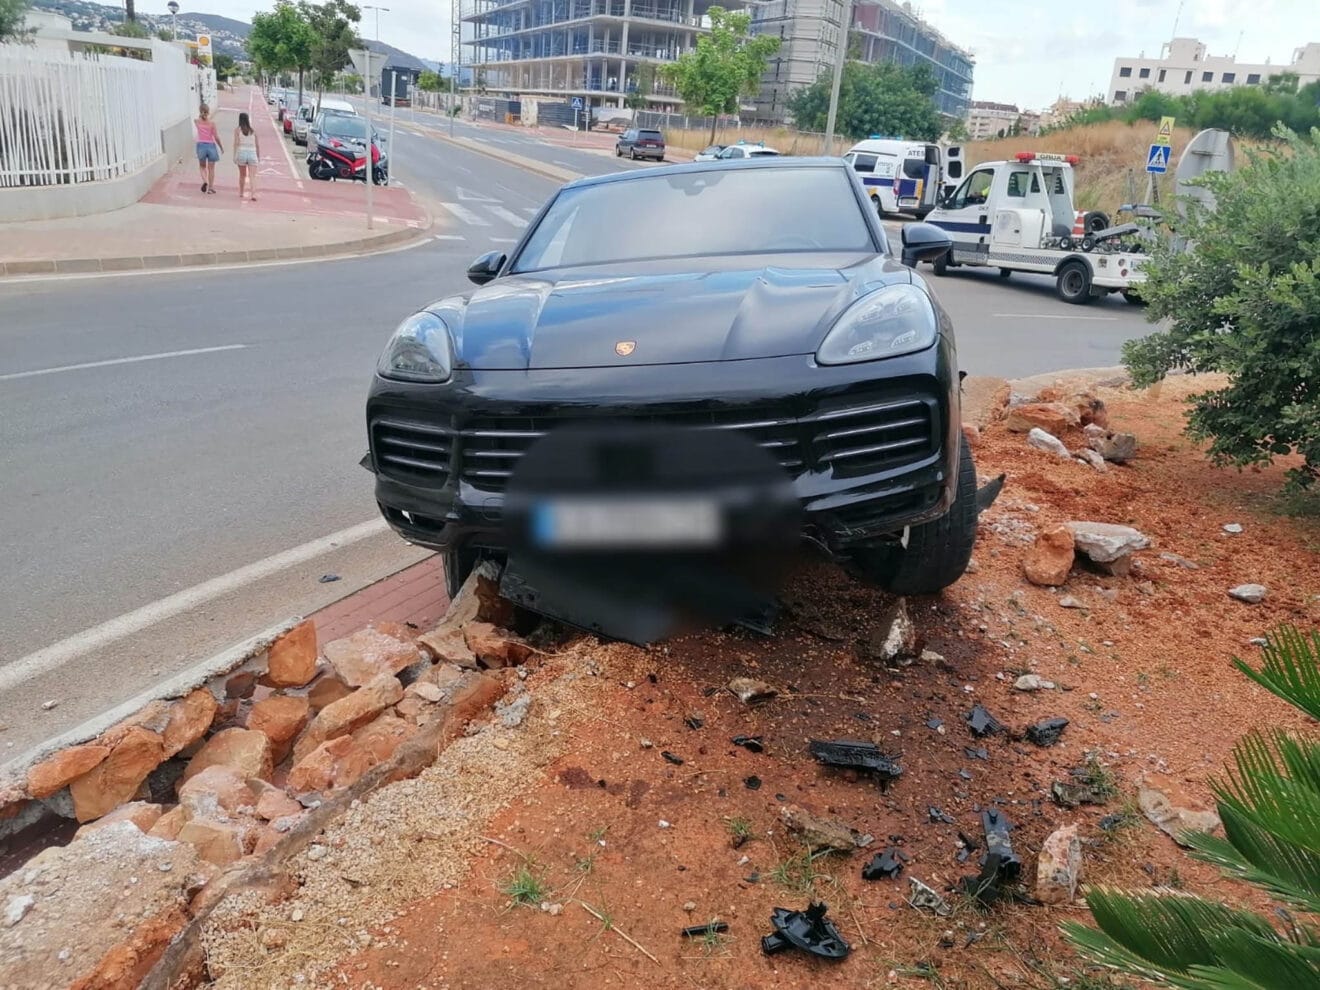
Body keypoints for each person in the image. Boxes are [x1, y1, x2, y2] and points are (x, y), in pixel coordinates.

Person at [194, 104, 223, 194]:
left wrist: (201, 116)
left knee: (202, 166)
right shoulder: (212, 124)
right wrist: (221, 147)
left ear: (200, 111)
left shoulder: (196, 122)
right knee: (211, 169)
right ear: (208, 111)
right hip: (211, 146)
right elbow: (216, 137)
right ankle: (210, 188)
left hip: (201, 146)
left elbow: (198, 119)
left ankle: (205, 181)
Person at [233, 111, 261, 202]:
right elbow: (257, 145)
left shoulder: (237, 130)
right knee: (252, 176)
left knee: (242, 175)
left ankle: (241, 192)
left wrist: (235, 156)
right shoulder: (253, 131)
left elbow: (236, 144)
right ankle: (253, 194)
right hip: (252, 153)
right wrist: (258, 156)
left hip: (241, 153)